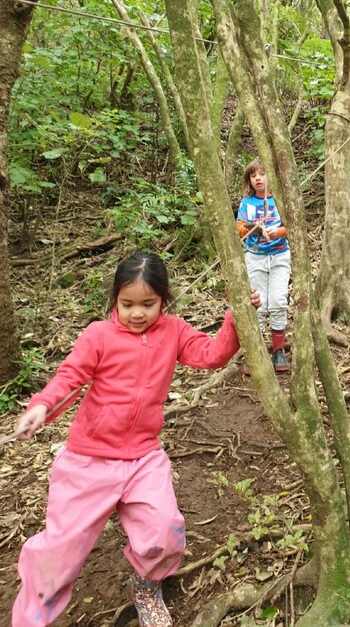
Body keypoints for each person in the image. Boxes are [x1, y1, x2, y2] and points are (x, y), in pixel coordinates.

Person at [12, 251, 259, 627]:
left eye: (148, 304)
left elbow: (211, 355)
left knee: (165, 531)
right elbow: (70, 376)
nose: (138, 313)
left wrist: (237, 317)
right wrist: (42, 406)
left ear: (164, 299)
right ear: (115, 298)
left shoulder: (174, 331)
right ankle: (31, 616)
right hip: (88, 460)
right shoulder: (99, 334)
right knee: (59, 552)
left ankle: (146, 585)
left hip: (144, 457)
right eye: (127, 304)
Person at [236, 159, 291, 373]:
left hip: (279, 255)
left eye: (262, 174)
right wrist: (252, 228)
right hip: (255, 256)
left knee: (278, 300)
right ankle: (257, 352)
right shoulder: (247, 202)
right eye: (253, 175)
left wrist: (279, 232)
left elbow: (293, 223)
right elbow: (240, 225)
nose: (258, 179)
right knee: (258, 304)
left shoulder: (280, 199)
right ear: (249, 180)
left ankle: (278, 350)